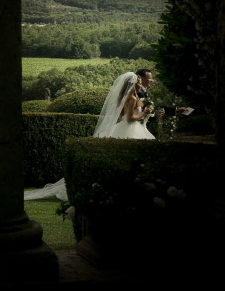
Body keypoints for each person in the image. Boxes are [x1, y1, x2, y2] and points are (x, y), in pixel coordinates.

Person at [24, 71, 154, 201]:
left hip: (124, 128)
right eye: (139, 82)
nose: (140, 84)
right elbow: (129, 119)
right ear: (133, 84)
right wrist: (145, 113)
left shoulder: (125, 98)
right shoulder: (132, 98)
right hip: (129, 128)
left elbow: (122, 117)